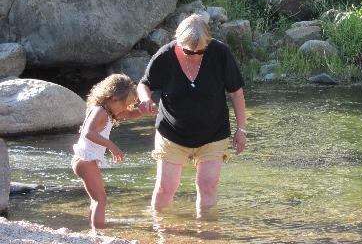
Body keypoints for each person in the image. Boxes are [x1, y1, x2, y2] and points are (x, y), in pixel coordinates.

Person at [137, 14, 247, 217]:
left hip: (213, 133)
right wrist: (145, 99)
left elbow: (236, 93)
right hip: (172, 134)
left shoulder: (220, 53)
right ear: (178, 42)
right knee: (165, 188)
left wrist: (242, 130)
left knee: (208, 187)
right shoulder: (165, 56)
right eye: (189, 51)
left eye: (201, 51)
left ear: (209, 42)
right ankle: (160, 236)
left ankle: (206, 240)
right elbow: (144, 84)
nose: (195, 55)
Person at [72, 74, 151, 229]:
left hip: (84, 160)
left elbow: (128, 114)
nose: (126, 108)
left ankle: (93, 228)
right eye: (125, 104)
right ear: (113, 98)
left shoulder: (108, 110)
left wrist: (143, 111)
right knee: (100, 199)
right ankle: (99, 232)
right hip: (85, 160)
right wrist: (111, 145)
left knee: (96, 199)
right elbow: (88, 132)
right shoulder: (99, 111)